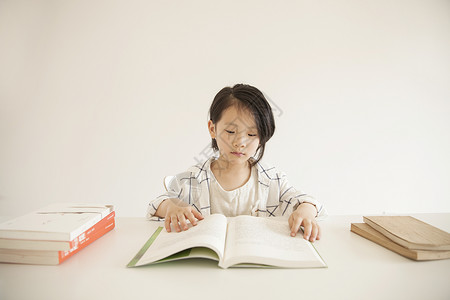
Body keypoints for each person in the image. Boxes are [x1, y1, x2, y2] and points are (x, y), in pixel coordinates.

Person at [147, 84, 325, 241]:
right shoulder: (196, 177)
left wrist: (305, 211)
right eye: (231, 131)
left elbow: (305, 200)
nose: (240, 142)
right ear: (212, 129)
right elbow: (156, 205)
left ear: (262, 137)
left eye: (251, 134)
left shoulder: (272, 179)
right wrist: (171, 207)